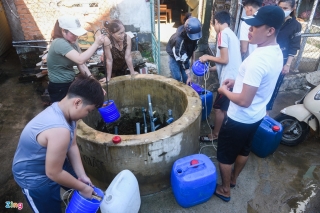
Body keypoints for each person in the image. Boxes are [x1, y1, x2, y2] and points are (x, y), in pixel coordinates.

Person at [214, 5, 284, 202]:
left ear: (270, 31)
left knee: (224, 155)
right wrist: (237, 82)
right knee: (244, 149)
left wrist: (224, 91)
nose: (249, 30)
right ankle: (234, 180)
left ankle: (225, 189)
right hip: (257, 116)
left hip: (239, 118)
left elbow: (244, 100)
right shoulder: (276, 52)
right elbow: (261, 83)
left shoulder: (258, 60)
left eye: (255, 27)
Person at [12, 75, 104, 212]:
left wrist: (82, 176)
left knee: (78, 183)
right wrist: (83, 187)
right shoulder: (59, 130)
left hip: (52, 164)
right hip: (35, 178)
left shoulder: (63, 110)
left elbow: (72, 146)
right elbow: (54, 173)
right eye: (88, 111)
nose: (86, 115)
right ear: (77, 102)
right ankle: (13, 205)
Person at [198, 11, 242, 142]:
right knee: (225, 108)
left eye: (214, 24)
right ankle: (222, 128)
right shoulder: (231, 34)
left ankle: (216, 135)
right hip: (234, 78)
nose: (214, 27)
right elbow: (226, 61)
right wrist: (210, 69)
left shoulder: (222, 34)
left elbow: (224, 59)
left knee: (218, 109)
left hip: (228, 81)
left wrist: (207, 57)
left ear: (216, 21)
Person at [47, 15, 105, 103]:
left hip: (69, 82)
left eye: (77, 34)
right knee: (64, 113)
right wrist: (96, 43)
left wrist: (96, 84)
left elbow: (81, 64)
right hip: (59, 86)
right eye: (73, 33)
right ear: (63, 31)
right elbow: (80, 59)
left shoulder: (72, 42)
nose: (76, 36)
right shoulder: (59, 42)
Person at [266, 0, 302, 114]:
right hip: (267, 57)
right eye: (280, 7)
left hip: (282, 61)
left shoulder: (296, 25)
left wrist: (288, 65)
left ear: (293, 8)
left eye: (285, 8)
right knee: (262, 84)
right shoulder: (273, 20)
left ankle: (266, 112)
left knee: (274, 87)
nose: (282, 11)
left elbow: (294, 46)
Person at [166, 15, 202, 85]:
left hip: (184, 53)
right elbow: (183, 59)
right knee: (177, 78)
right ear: (187, 32)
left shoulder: (195, 33)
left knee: (186, 77)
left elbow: (194, 46)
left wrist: (193, 59)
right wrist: (189, 75)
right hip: (175, 55)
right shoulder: (179, 40)